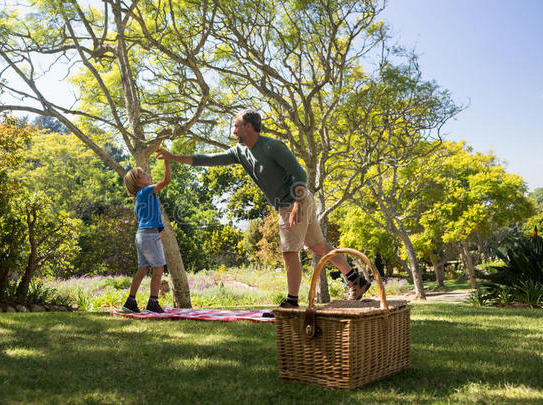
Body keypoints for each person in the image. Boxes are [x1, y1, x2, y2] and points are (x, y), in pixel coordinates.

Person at [156, 109, 371, 308]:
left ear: (248, 126)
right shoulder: (240, 151)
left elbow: (300, 174)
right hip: (292, 203)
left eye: (236, 126)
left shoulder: (272, 147)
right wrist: (174, 158)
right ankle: (356, 280)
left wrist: (296, 203)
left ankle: (292, 301)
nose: (233, 131)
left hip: (295, 202)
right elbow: (210, 159)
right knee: (319, 246)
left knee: (289, 252)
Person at [121, 160, 171, 313]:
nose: (147, 174)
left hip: (141, 236)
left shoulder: (138, 199)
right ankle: (153, 303)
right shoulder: (147, 191)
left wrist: (158, 229)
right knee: (158, 269)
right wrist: (167, 162)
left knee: (142, 270)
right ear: (138, 181)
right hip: (149, 235)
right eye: (143, 174)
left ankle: (130, 301)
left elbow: (136, 222)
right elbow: (166, 181)